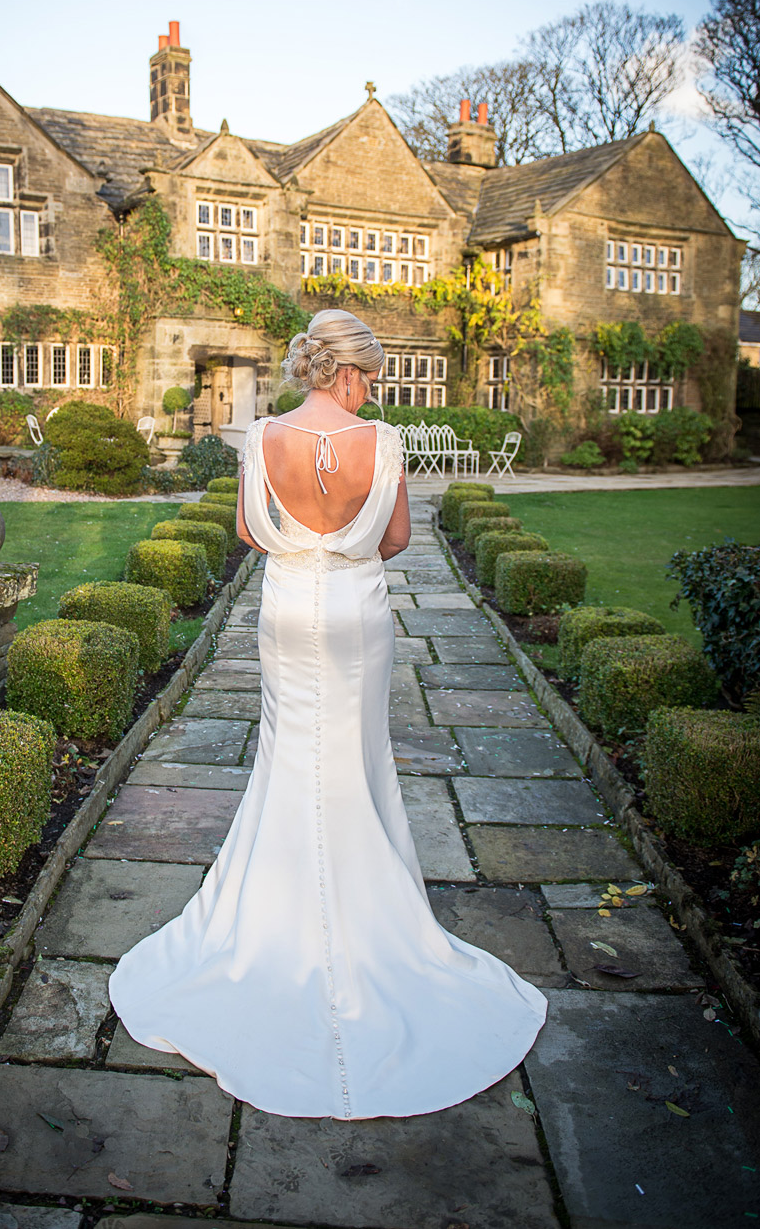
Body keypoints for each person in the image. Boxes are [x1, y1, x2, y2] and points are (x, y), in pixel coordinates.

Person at [108, 308, 547, 1119]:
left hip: (285, 614)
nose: (374, 386)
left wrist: (301, 539)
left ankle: (275, 917)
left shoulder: (262, 436)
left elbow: (248, 530)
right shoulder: (380, 442)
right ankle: (368, 916)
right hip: (354, 616)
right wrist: (345, 538)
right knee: (352, 755)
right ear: (347, 373)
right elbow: (395, 541)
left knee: (287, 755)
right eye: (371, 374)